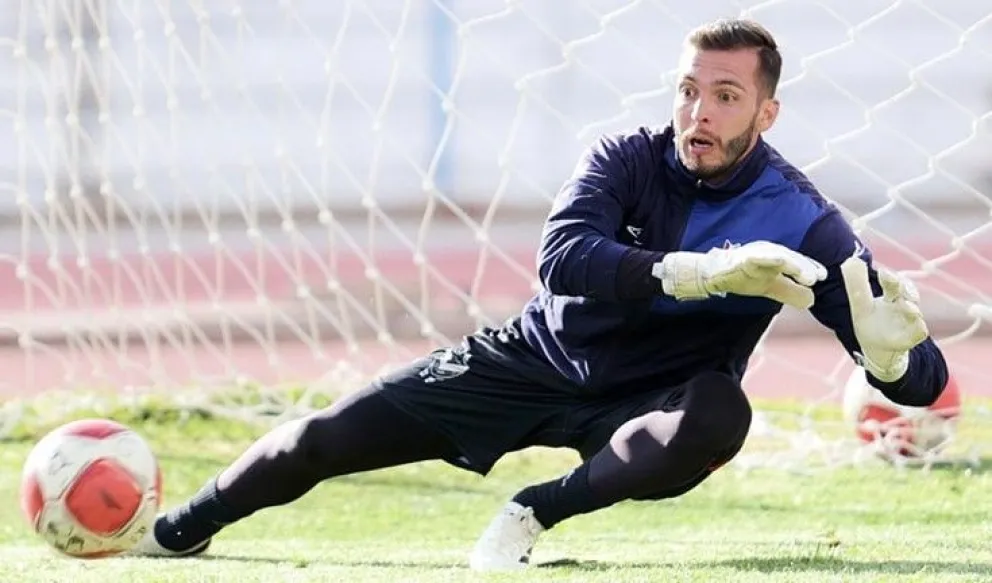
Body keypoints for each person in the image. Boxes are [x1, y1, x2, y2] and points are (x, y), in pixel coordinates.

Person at [131, 17, 948, 570]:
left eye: (725, 97)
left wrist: (890, 359)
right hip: (530, 360)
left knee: (719, 413)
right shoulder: (624, 158)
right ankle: (177, 531)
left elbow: (919, 379)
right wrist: (693, 272)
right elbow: (562, 257)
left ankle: (533, 511)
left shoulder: (805, 221)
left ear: (766, 113)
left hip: (647, 405)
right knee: (320, 440)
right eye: (687, 89)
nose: (698, 112)